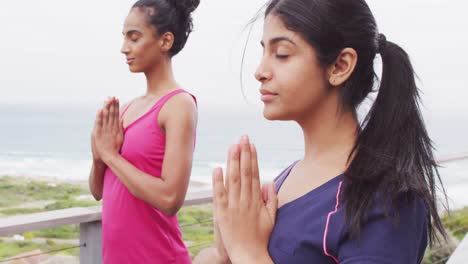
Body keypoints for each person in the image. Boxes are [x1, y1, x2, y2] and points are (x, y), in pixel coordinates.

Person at [194, 0, 446, 263]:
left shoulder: (388, 201)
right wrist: (224, 252)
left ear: (340, 66)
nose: (260, 72)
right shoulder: (286, 179)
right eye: (263, 52)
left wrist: (246, 251)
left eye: (281, 54)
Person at [88, 0, 199, 263]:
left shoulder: (178, 105)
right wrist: (98, 156)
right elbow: (97, 191)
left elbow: (170, 198)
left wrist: (112, 156)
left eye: (134, 37)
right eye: (124, 37)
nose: (124, 48)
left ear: (165, 41)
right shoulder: (126, 109)